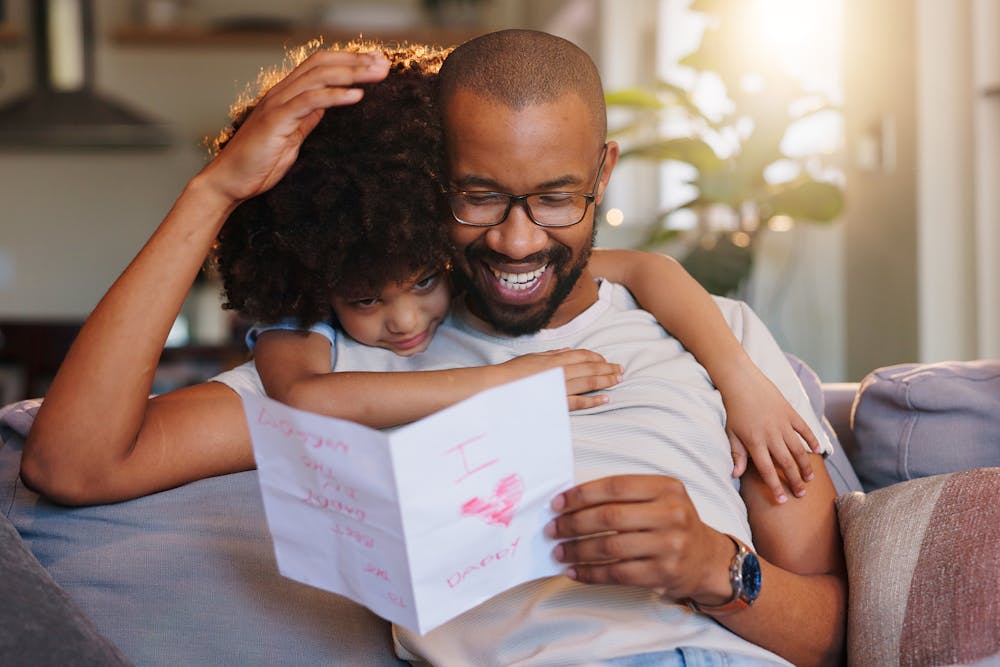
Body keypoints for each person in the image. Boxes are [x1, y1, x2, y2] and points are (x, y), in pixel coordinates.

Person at [20, 31, 846, 666]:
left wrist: (712, 567)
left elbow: (832, 634)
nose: (520, 242)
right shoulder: (358, 356)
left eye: (558, 199)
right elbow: (74, 465)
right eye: (479, 197)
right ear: (428, 180)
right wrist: (218, 189)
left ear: (603, 173)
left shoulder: (717, 336)